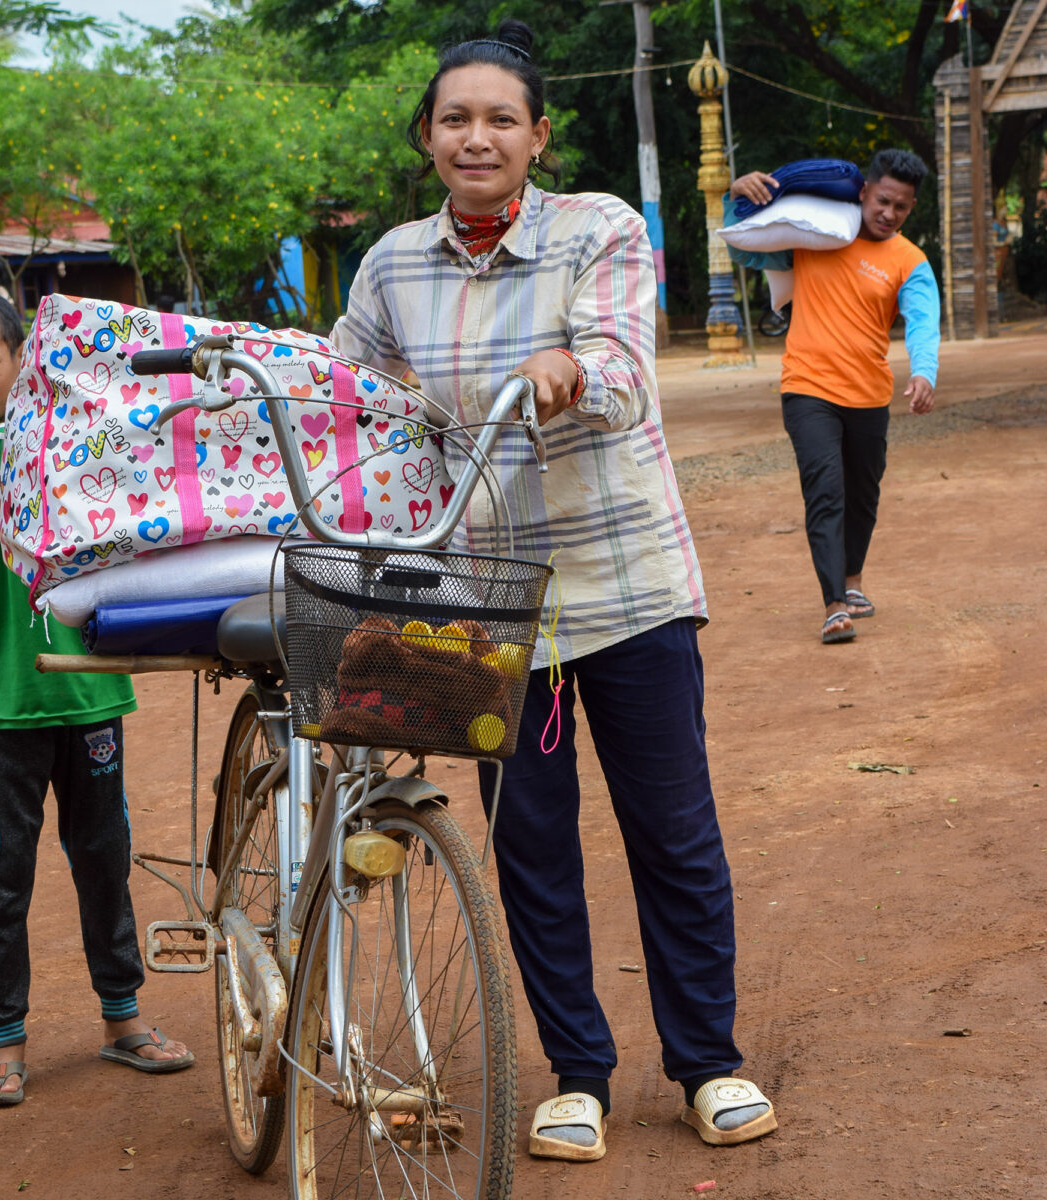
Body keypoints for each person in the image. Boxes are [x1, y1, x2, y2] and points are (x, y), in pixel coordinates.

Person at [330, 20, 775, 1163]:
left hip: (625, 581)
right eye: (454, 118)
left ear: (537, 135)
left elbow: (623, 373)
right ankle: (577, 1071)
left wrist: (572, 370)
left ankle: (708, 1063)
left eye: (500, 118)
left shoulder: (600, 230)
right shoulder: (390, 263)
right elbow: (354, 399)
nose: (476, 136)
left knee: (672, 830)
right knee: (528, 837)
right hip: (485, 599)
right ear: (428, 136)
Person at [0, 291, 193, 1106]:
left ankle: (123, 1018)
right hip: (5, 704)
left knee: (103, 860)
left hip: (89, 694)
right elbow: (52, 446)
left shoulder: (74, 435)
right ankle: (3, 1037)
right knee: (1, 873)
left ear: (23, 359)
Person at [727, 149, 940, 644]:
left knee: (863, 495)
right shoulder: (815, 234)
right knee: (825, 490)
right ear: (864, 191)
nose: (889, 213)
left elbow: (924, 320)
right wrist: (735, 192)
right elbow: (742, 246)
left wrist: (924, 372)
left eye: (901, 207)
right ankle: (834, 605)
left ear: (910, 210)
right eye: (883, 200)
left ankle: (853, 582)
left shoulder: (910, 260)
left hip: (868, 394)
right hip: (807, 388)